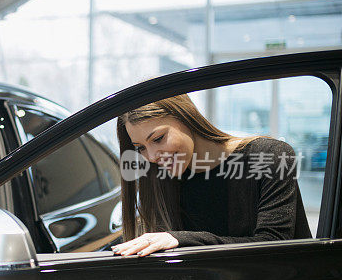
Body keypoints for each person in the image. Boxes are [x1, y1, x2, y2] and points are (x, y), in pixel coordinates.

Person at [112, 94, 311, 257]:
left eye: (158, 138)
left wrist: (182, 239)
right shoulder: (160, 180)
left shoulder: (269, 155)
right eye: (141, 148)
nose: (152, 156)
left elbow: (274, 245)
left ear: (185, 116)